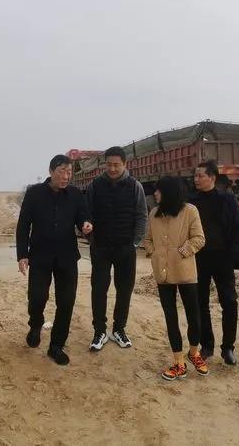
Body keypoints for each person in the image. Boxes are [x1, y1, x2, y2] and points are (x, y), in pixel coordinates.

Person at [16, 154, 93, 365]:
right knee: (37, 298)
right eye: (62, 172)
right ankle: (35, 324)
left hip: (67, 257)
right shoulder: (34, 194)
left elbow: (82, 216)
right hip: (40, 255)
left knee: (66, 302)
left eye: (69, 172)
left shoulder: (75, 194)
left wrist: (85, 224)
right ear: (51, 172)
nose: (66, 177)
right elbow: (23, 225)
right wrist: (22, 254)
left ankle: (56, 346)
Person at [143, 176, 208, 380]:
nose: (155, 194)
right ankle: (179, 361)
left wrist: (182, 252)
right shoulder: (154, 213)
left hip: (186, 272)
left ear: (169, 192)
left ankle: (194, 352)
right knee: (170, 317)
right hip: (162, 273)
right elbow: (147, 239)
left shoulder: (190, 211)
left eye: (158, 190)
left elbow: (199, 239)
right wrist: (154, 252)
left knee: (193, 315)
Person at [85, 146, 148, 351]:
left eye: (116, 165)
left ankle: (119, 329)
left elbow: (141, 216)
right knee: (99, 290)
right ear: (105, 164)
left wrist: (134, 243)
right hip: (101, 248)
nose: (112, 169)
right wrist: (92, 239)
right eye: (109, 165)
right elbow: (87, 214)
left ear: (124, 164)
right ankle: (99, 331)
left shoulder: (135, 186)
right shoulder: (95, 186)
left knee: (124, 290)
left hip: (125, 249)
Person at [191, 160, 239, 365]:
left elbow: (238, 229)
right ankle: (207, 345)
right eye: (195, 176)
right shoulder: (191, 202)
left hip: (223, 259)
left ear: (212, 178)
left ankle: (228, 348)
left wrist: (231, 255)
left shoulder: (227, 199)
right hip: (199, 259)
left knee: (229, 302)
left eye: (200, 176)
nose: (196, 179)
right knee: (200, 303)